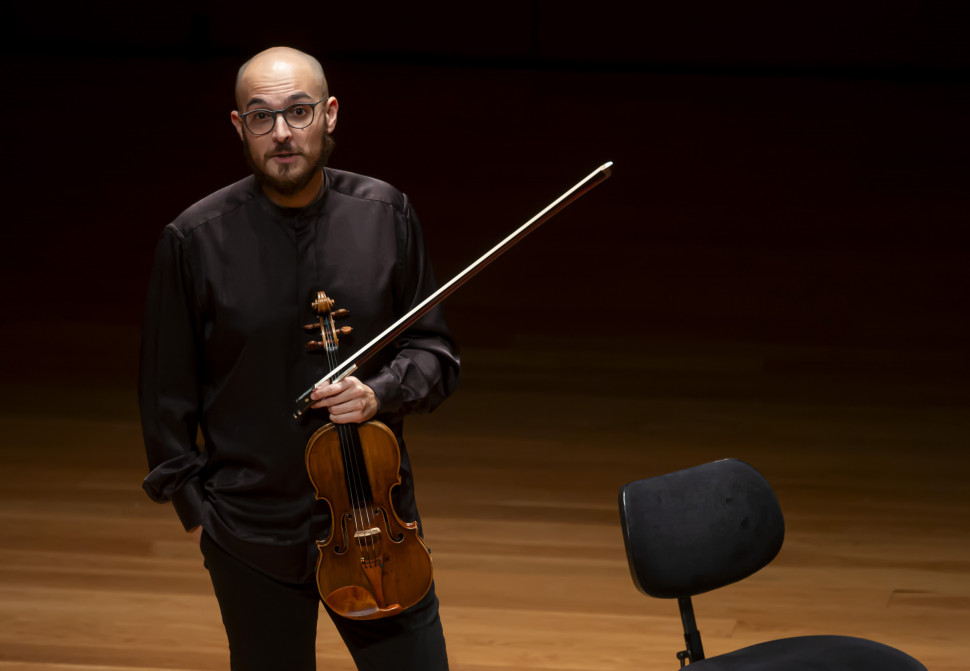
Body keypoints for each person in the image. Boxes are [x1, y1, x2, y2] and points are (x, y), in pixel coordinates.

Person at [138, 46, 460, 671]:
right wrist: (198, 516)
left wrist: (382, 390)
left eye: (299, 112)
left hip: (375, 528)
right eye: (262, 117)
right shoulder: (193, 241)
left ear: (330, 115)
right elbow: (164, 396)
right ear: (239, 126)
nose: (282, 133)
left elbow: (436, 354)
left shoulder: (385, 215)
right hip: (249, 535)